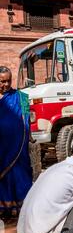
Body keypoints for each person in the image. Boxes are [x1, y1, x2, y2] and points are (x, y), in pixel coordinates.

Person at [0, 66, 32, 217]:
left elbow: (27, 120)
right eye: (2, 81)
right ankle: (5, 208)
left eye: (8, 81)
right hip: (1, 149)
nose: (6, 84)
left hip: (19, 149)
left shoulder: (21, 98)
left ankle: (22, 209)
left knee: (20, 176)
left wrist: (29, 136)